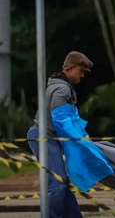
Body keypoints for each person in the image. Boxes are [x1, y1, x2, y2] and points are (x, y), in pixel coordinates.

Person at [27, 51, 93, 218]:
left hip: (46, 136)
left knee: (62, 183)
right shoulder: (62, 89)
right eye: (81, 71)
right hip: (44, 137)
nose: (82, 76)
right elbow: (61, 120)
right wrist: (79, 140)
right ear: (70, 69)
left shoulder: (60, 86)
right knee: (57, 185)